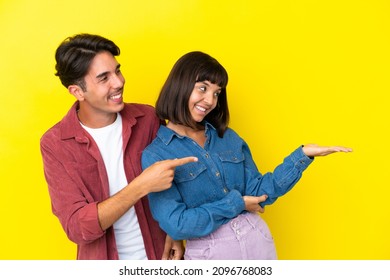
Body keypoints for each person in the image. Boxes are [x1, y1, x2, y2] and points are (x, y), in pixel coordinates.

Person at [141, 51, 353, 260]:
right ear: (180, 85)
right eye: (203, 88)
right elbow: (177, 224)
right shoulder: (157, 154)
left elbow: (260, 192)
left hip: (258, 242)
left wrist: (301, 157)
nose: (210, 100)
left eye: (217, 93)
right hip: (210, 255)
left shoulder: (227, 137)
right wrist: (237, 203)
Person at [40, 33, 197, 260]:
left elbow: (176, 185)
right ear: (77, 91)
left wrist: (175, 233)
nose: (119, 82)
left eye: (118, 71)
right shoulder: (56, 144)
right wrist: (140, 186)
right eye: (104, 78)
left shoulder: (148, 118)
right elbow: (78, 227)